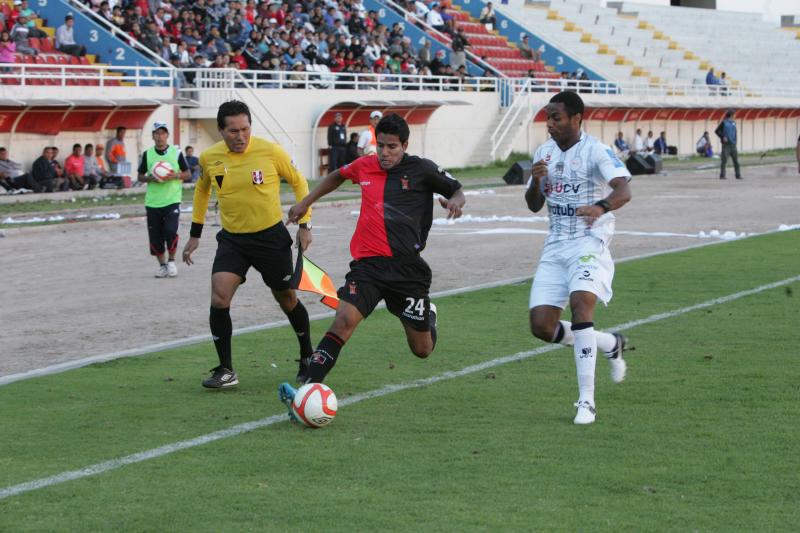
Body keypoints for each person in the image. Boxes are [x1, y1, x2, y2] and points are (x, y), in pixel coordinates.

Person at [277, 113, 466, 417]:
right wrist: (305, 202)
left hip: (407, 271)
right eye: (381, 146)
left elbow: (456, 188)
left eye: (392, 147)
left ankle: (429, 315)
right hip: (368, 267)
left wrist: (455, 201)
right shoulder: (365, 165)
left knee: (422, 350)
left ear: (405, 144)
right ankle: (305, 393)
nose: (385, 153)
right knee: (343, 321)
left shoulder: (422, 169)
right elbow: (337, 175)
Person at [182, 100, 314, 389]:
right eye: (233, 131)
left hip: (270, 238)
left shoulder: (270, 151)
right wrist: (195, 233)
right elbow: (202, 190)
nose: (240, 136)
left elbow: (299, 183)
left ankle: (307, 357)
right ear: (220, 131)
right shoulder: (210, 158)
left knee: (287, 299)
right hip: (233, 240)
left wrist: (305, 224)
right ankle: (226, 370)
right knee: (219, 296)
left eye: (245, 129)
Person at [524, 91, 632, 425]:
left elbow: (624, 190)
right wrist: (537, 180)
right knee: (541, 326)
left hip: (589, 240)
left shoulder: (596, 151)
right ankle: (609, 343)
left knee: (581, 304)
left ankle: (586, 401)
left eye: (556, 117)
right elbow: (532, 204)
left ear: (576, 119)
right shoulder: (543, 153)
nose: (550, 124)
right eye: (548, 118)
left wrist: (599, 207)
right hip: (555, 244)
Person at [137, 122, 190, 278]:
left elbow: (187, 173)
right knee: (156, 236)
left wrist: (176, 175)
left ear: (167, 135)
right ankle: (162, 265)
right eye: (157, 133)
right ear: (153, 136)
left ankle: (172, 261)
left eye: (162, 133)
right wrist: (150, 178)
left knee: (170, 230)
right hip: (153, 202)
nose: (160, 136)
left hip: (172, 199)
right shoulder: (148, 154)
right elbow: (140, 176)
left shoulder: (176, 153)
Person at [716, 110, 741, 179]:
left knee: (736, 161)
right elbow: (717, 131)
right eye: (734, 114)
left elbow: (735, 133)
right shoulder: (724, 123)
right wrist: (723, 136)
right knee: (724, 161)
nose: (735, 116)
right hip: (726, 145)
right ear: (731, 115)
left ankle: (738, 175)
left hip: (733, 145)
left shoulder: (734, 123)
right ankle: (722, 175)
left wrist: (735, 141)